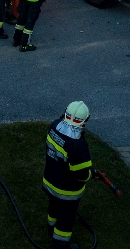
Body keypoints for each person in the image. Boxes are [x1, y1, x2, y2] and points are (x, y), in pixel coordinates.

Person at [43, 102, 92, 249]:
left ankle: (51, 228)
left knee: (53, 207)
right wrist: (90, 175)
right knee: (66, 218)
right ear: (85, 120)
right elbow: (81, 174)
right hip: (66, 191)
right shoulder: (78, 145)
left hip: (50, 180)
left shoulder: (54, 127)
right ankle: (59, 244)